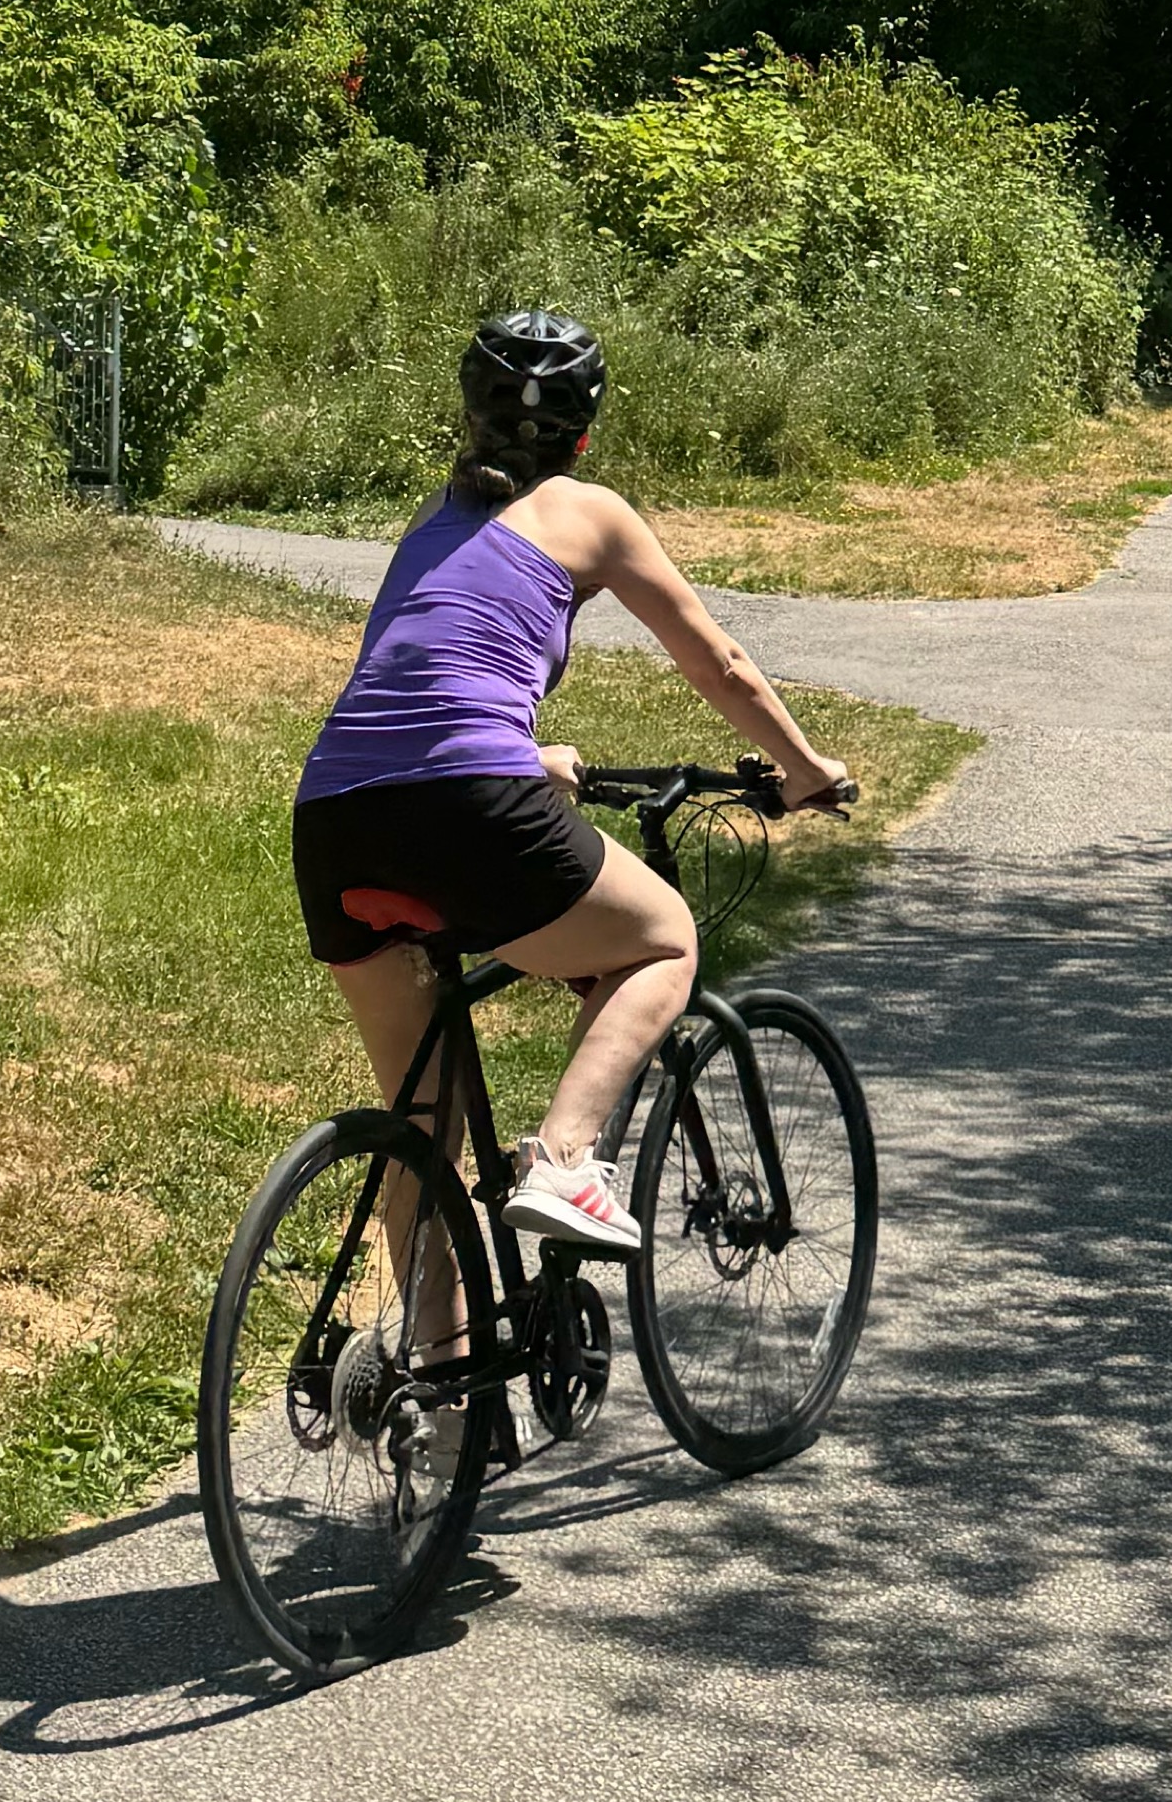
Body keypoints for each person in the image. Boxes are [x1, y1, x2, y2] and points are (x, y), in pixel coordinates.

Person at [292, 308, 853, 1260]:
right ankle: (564, 1160)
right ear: (585, 429)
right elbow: (720, 664)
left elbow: (420, 681)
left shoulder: (434, 519)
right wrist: (805, 772)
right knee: (662, 939)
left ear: (470, 417)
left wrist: (528, 753)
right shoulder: (591, 513)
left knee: (421, 1135)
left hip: (333, 817)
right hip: (467, 804)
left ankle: (429, 1391)